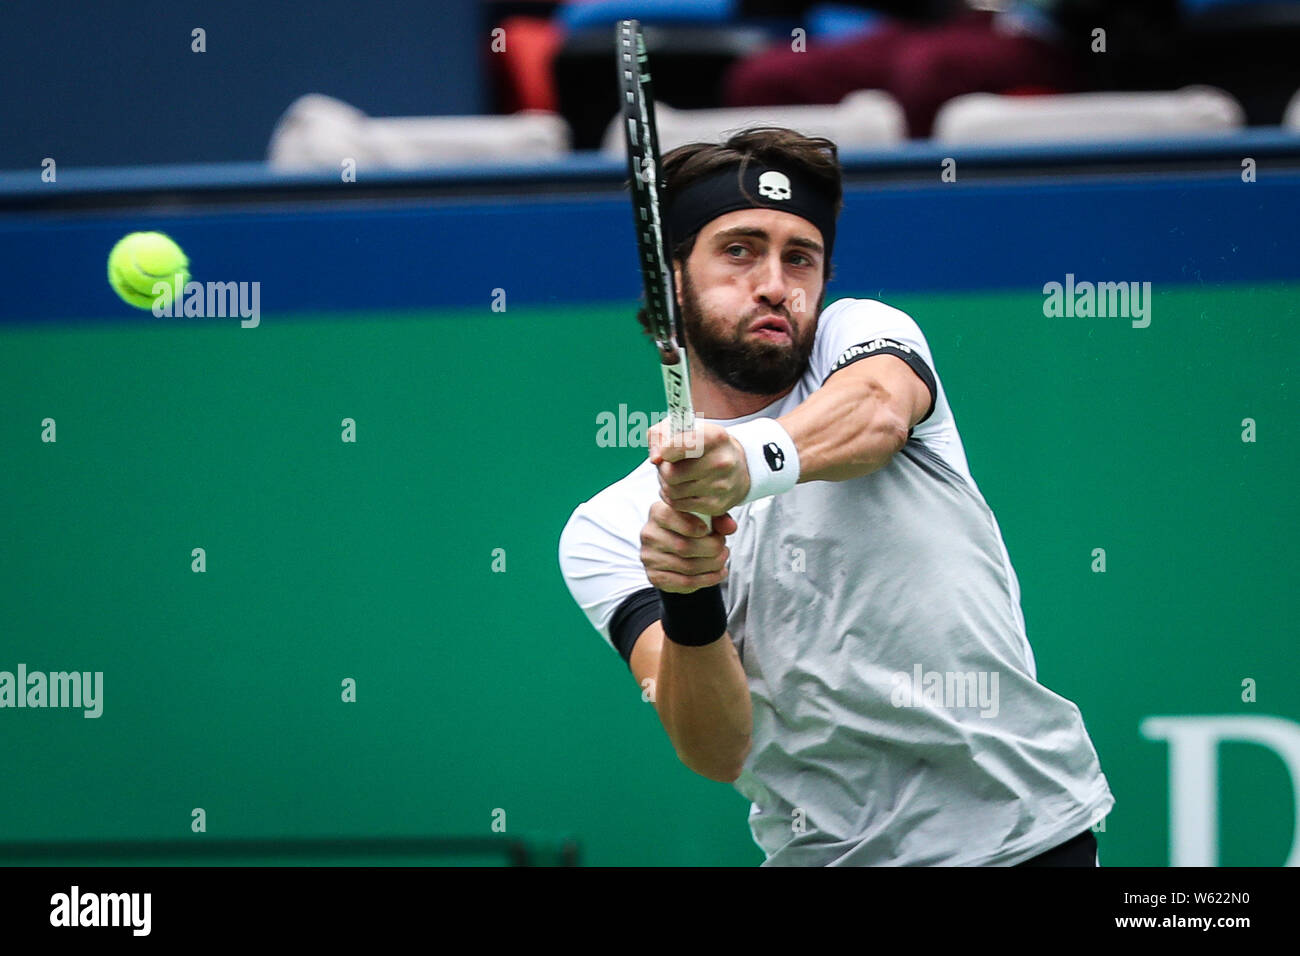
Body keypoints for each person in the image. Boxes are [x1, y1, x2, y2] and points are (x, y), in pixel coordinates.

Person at [557, 126, 1114, 865]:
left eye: (801, 257)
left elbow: (878, 413)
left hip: (1020, 840)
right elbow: (718, 749)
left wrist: (743, 464)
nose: (775, 283)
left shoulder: (861, 334)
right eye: (738, 249)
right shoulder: (607, 528)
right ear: (670, 282)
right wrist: (690, 594)